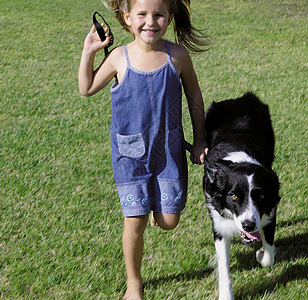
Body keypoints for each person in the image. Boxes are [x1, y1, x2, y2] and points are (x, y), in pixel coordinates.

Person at [78, 0, 208, 298]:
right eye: (142, 15)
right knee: (134, 221)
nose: (150, 22)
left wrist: (199, 139)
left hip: (169, 155)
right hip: (130, 157)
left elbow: (195, 97)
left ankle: (154, 209)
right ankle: (134, 284)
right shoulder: (119, 58)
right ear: (126, 18)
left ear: (170, 18)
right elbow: (86, 88)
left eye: (158, 15)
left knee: (168, 221)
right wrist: (89, 52)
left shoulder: (177, 56)